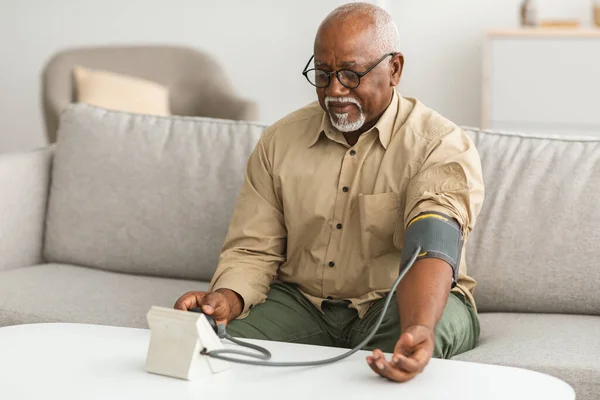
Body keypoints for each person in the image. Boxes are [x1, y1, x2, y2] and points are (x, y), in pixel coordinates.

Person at [175, 2, 484, 383]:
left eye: (352, 75)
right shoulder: (279, 141)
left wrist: (419, 325)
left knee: (418, 339)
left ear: (395, 69)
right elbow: (253, 248)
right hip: (302, 305)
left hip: (394, 302)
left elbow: (431, 244)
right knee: (206, 342)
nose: (335, 90)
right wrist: (226, 299)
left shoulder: (438, 143)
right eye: (323, 74)